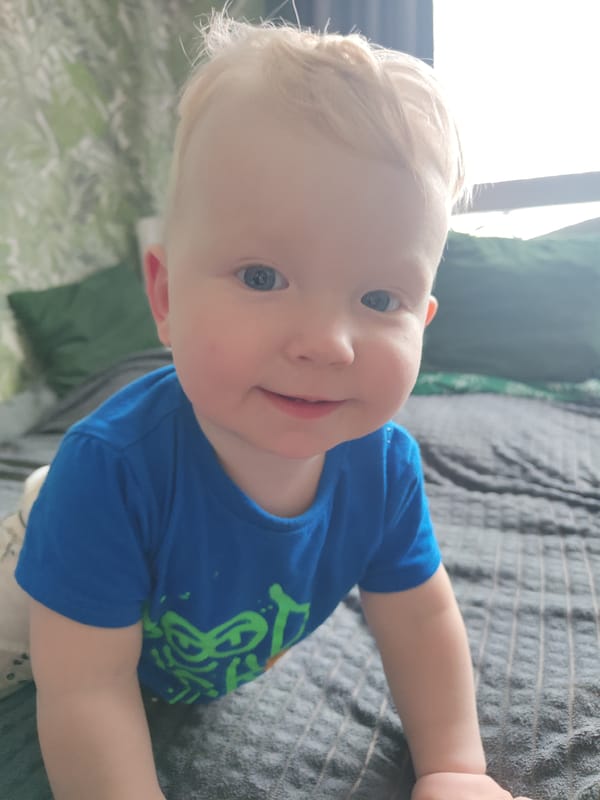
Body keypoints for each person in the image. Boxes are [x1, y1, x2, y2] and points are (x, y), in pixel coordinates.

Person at [13, 12, 532, 800]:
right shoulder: (110, 472)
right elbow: (86, 691)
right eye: (262, 277)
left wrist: (455, 767)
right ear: (165, 296)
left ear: (424, 321)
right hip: (36, 576)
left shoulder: (384, 468)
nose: (327, 343)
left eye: (379, 298)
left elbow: (421, 620)